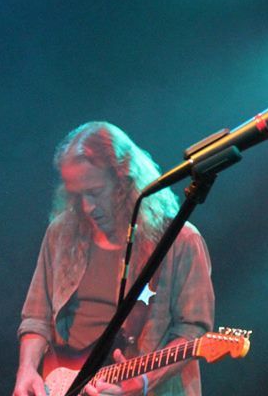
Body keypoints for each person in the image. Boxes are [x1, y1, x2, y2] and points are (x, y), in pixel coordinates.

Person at [13, 122, 215, 396]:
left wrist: (144, 382)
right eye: (76, 195)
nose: (87, 207)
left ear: (123, 182)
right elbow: (36, 317)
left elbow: (193, 331)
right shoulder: (61, 233)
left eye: (95, 192)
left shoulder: (181, 241)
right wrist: (26, 370)